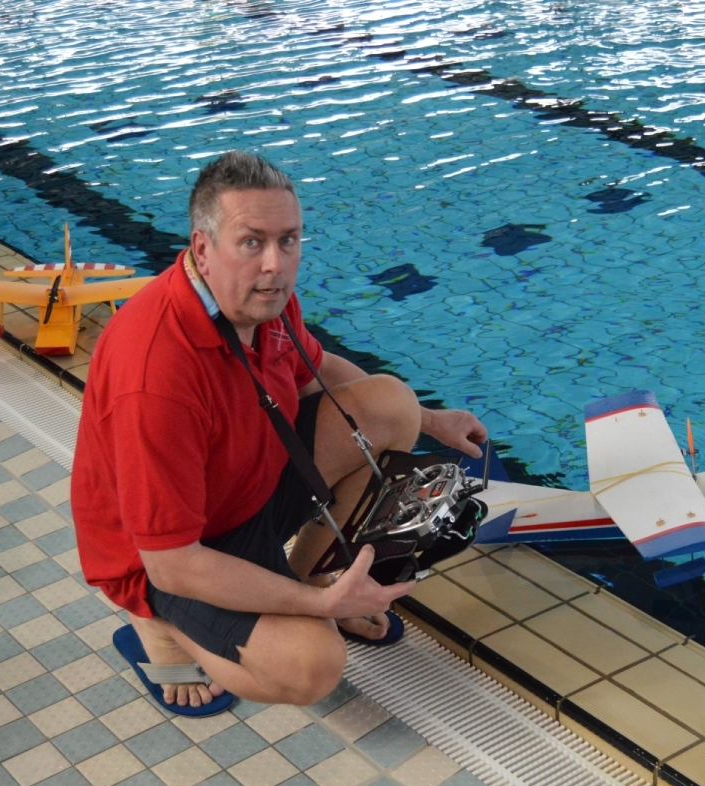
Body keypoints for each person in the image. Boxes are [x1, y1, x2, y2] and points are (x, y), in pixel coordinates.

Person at [72, 151, 486, 709]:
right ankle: (158, 627)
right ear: (202, 248)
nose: (275, 264)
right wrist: (321, 611)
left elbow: (317, 372)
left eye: (288, 240)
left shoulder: (261, 299)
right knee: (312, 667)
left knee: (393, 404)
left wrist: (433, 421)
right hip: (170, 557)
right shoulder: (154, 374)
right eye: (252, 242)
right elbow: (172, 561)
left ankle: (309, 581)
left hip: (247, 491)